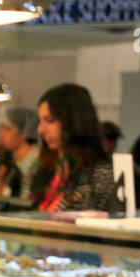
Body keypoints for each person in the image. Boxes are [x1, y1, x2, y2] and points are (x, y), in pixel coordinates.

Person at [31, 84, 121, 213]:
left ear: (73, 121)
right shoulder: (43, 168)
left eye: (49, 120)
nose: (41, 129)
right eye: (40, 120)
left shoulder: (100, 175)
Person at [0, 106, 40, 199]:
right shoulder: (6, 158)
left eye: (8, 129)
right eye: (1, 129)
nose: (0, 134)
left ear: (25, 132)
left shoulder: (37, 160)